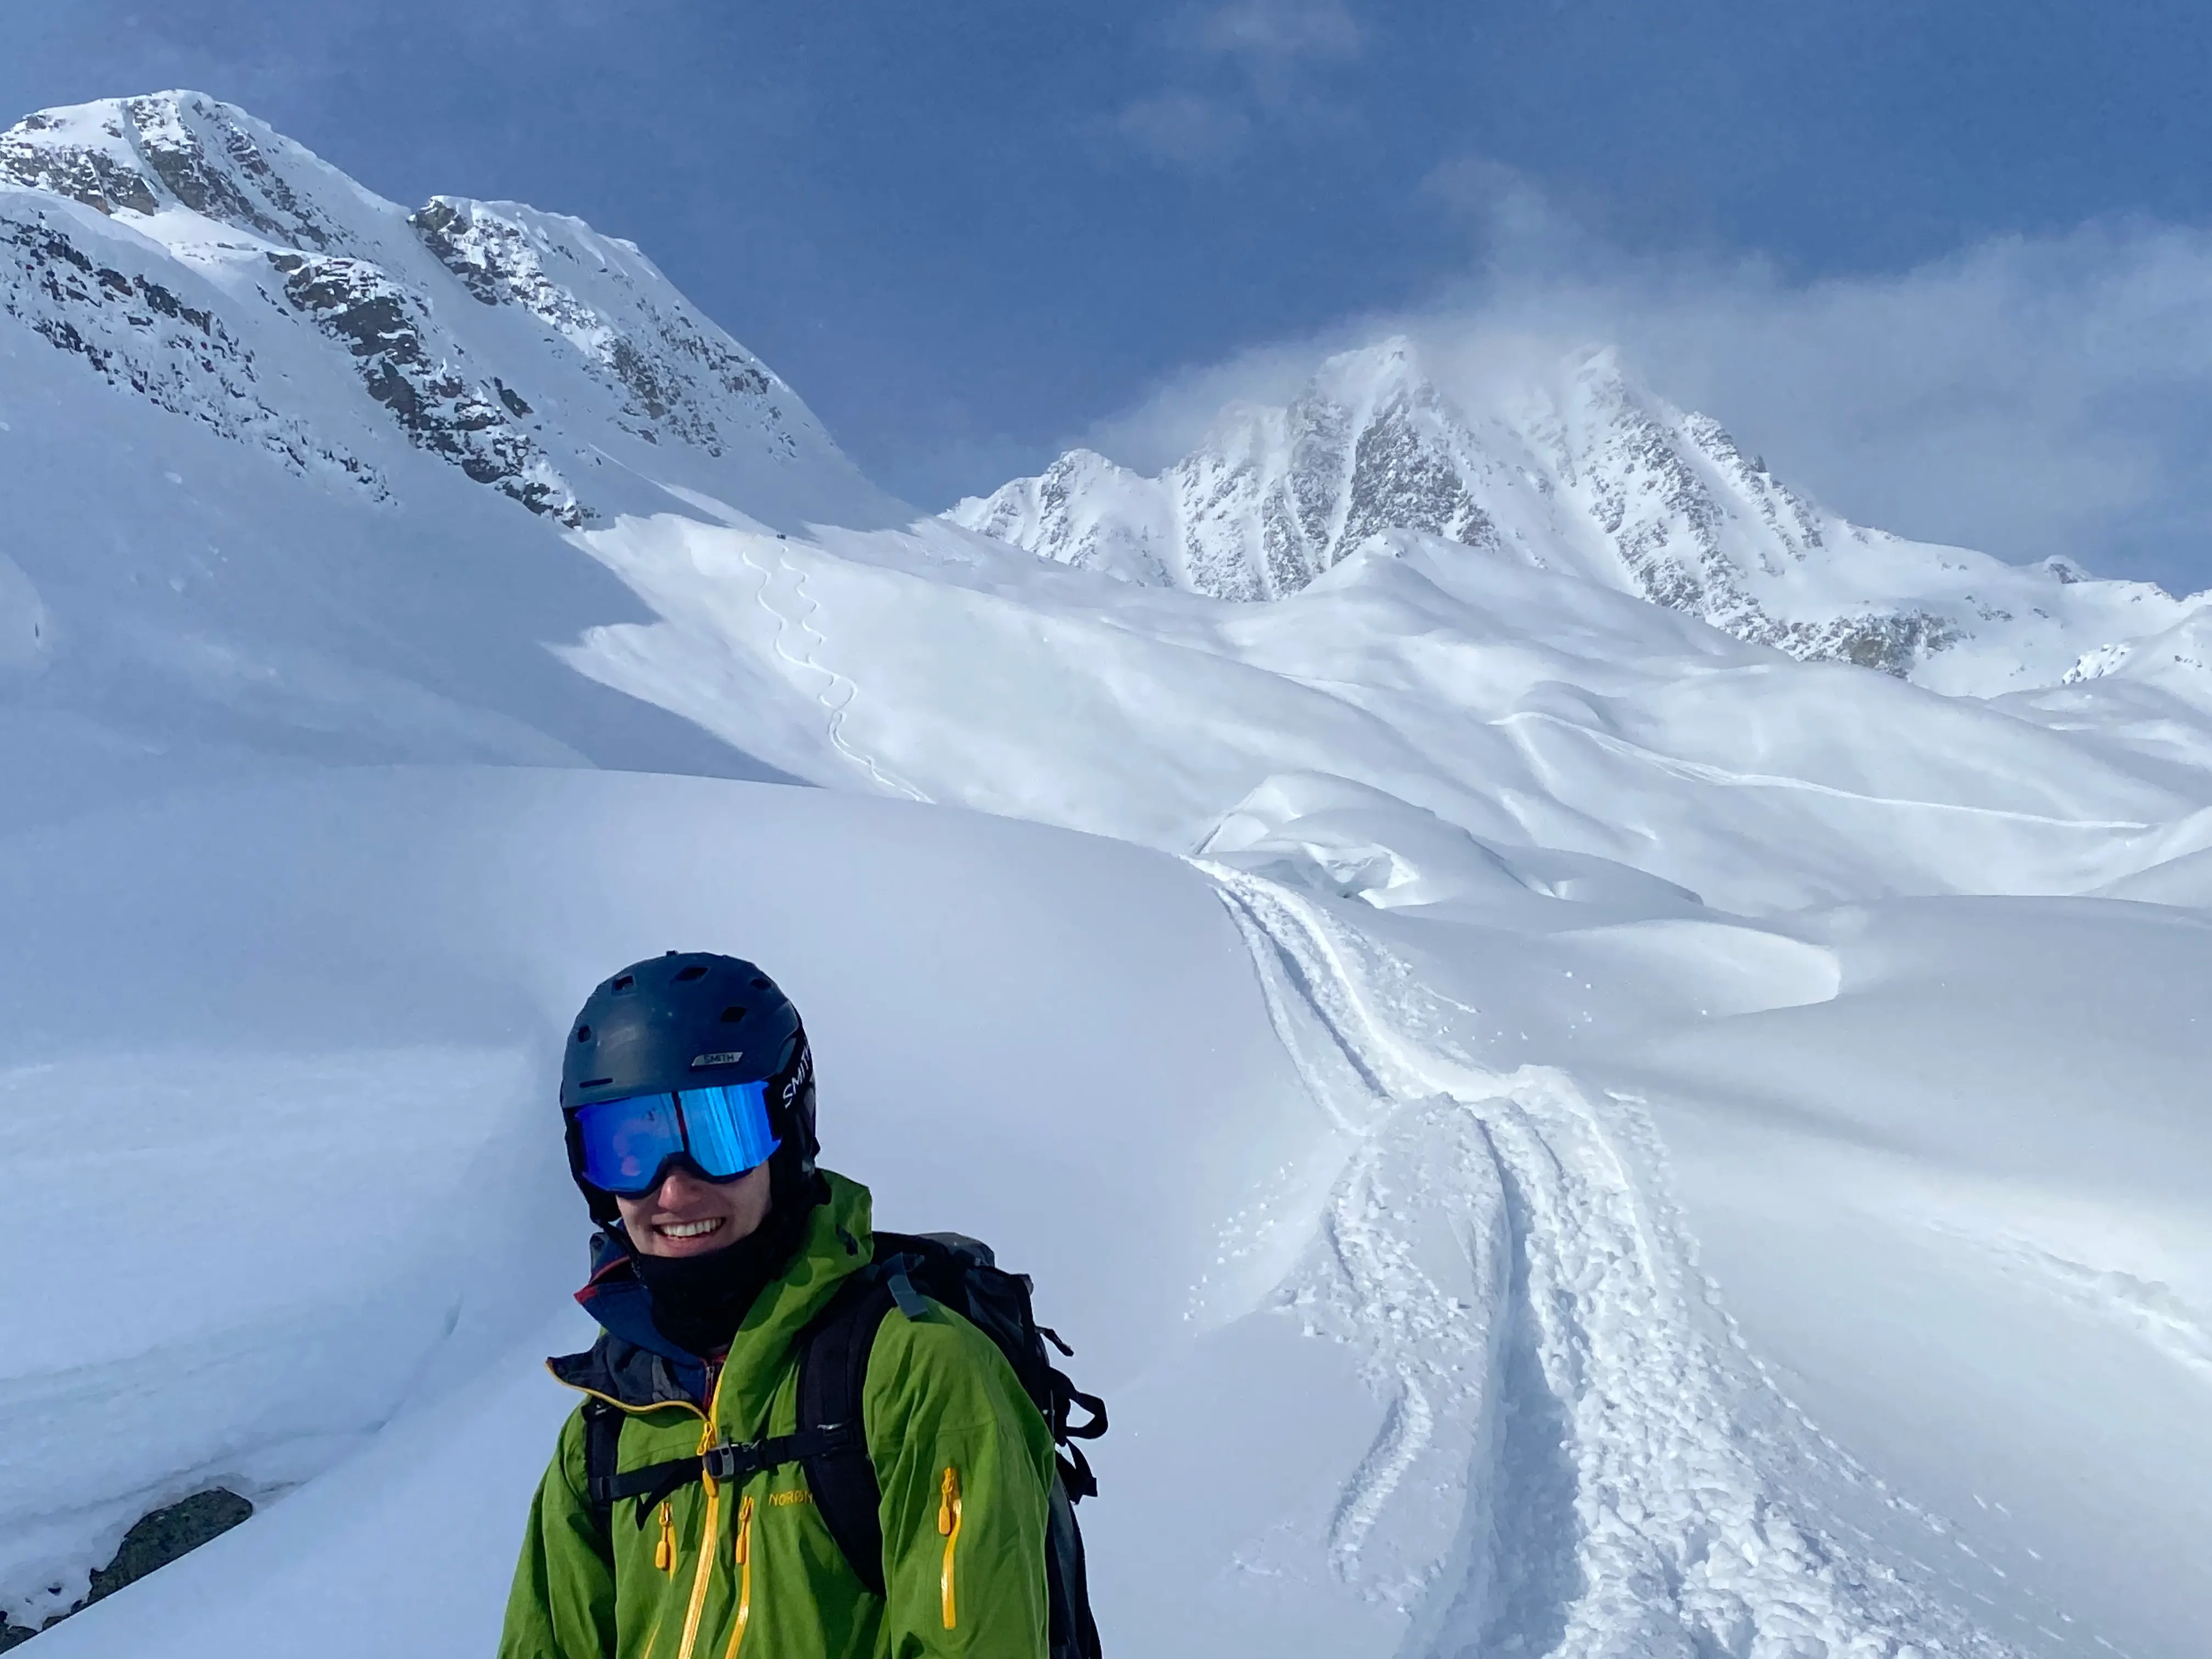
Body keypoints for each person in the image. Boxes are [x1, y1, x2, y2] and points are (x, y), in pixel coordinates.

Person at [498, 952, 1057, 1659]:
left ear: (786, 1135)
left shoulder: (914, 1373)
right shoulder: (609, 1430)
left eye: (717, 1132)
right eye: (628, 1148)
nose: (673, 1191)